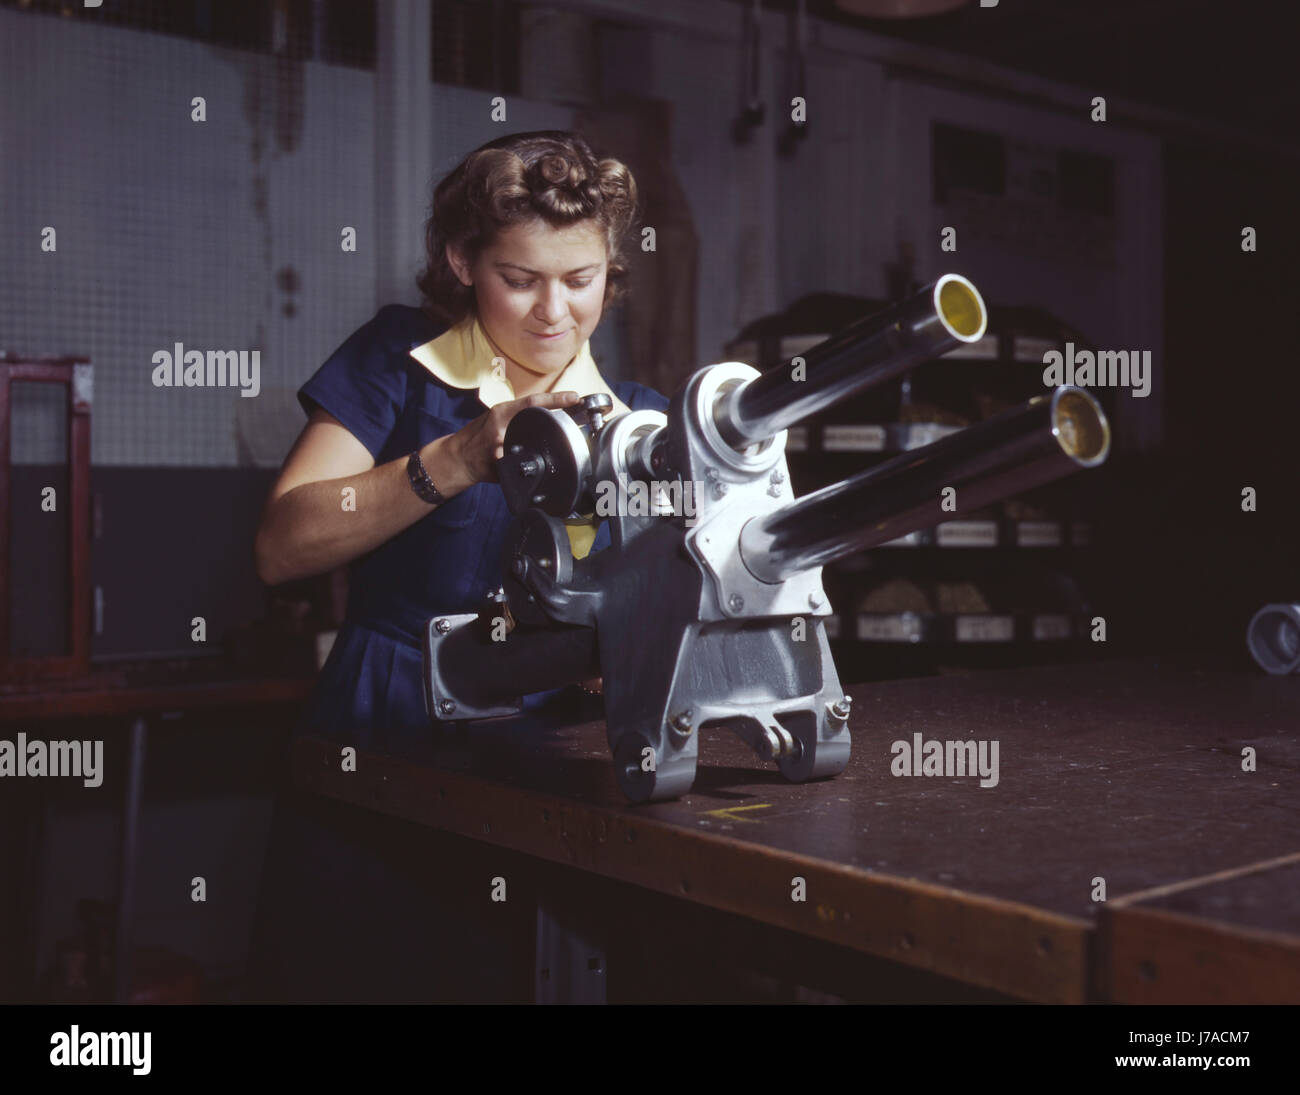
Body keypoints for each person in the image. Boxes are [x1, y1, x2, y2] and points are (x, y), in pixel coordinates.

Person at [247, 131, 670, 1001]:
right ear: (461, 260)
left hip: (554, 748)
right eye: (520, 278)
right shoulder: (399, 365)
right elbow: (280, 547)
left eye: (580, 279)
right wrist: (460, 457)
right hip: (384, 722)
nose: (554, 311)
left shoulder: (642, 422)